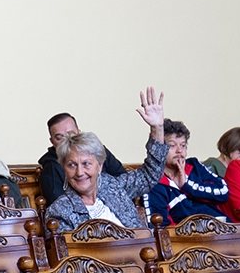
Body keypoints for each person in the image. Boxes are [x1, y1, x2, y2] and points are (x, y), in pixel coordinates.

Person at [45, 87, 167, 230]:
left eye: (86, 164)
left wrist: (157, 128)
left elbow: (149, 176)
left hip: (145, 249)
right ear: (64, 169)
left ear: (100, 165)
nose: (79, 172)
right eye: (72, 165)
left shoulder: (113, 187)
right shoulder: (59, 211)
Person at [145, 119, 228, 224]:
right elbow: (159, 227)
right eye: (172, 145)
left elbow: (223, 192)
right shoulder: (153, 183)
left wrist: (187, 186)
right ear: (159, 149)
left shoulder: (194, 166)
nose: (179, 150)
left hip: (223, 229)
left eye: (183, 145)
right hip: (190, 237)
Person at [38, 113, 127, 205]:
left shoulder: (96, 150)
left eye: (71, 134)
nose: (67, 140)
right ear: (52, 141)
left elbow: (123, 178)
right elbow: (57, 203)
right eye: (59, 138)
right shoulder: (51, 167)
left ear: (79, 133)